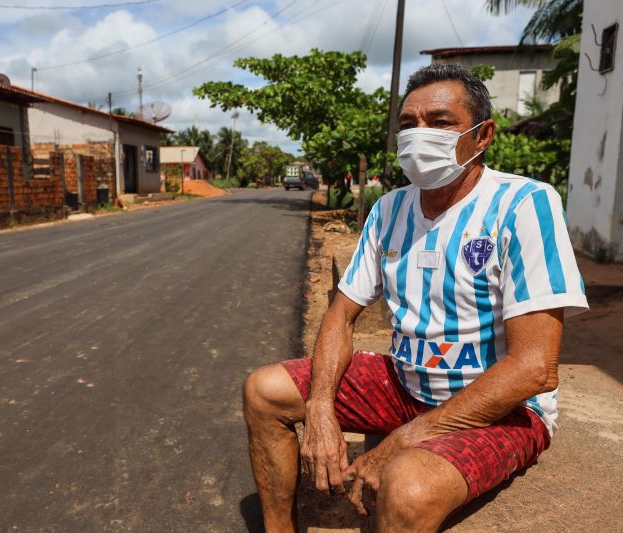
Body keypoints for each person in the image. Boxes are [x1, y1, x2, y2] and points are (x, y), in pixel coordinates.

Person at [243, 64, 588, 532]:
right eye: (408, 124)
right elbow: (341, 315)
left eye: (441, 122)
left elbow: (534, 366)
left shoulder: (524, 203)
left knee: (406, 488)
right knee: (264, 391)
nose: (419, 135)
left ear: (481, 135)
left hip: (500, 412)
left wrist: (404, 440)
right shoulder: (390, 208)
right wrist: (321, 405)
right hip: (406, 384)